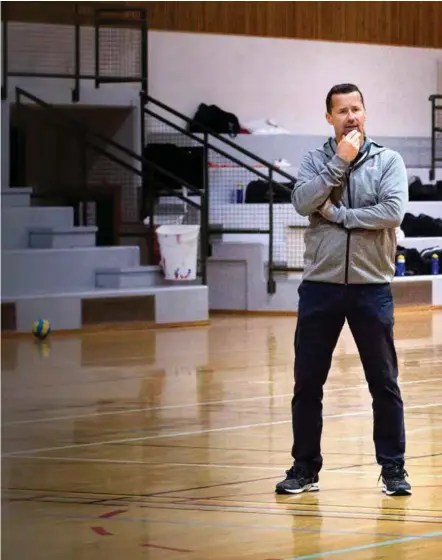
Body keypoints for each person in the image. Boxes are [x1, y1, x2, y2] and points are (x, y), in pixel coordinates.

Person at [276, 83, 412, 497]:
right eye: (342, 111)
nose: (351, 117)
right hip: (320, 286)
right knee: (307, 382)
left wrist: (339, 213)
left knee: (384, 382)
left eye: (357, 109)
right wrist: (340, 162)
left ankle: (393, 470)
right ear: (329, 117)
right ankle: (304, 468)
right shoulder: (316, 160)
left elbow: (392, 212)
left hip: (371, 287)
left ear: (365, 113)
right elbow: (302, 202)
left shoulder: (389, 160)